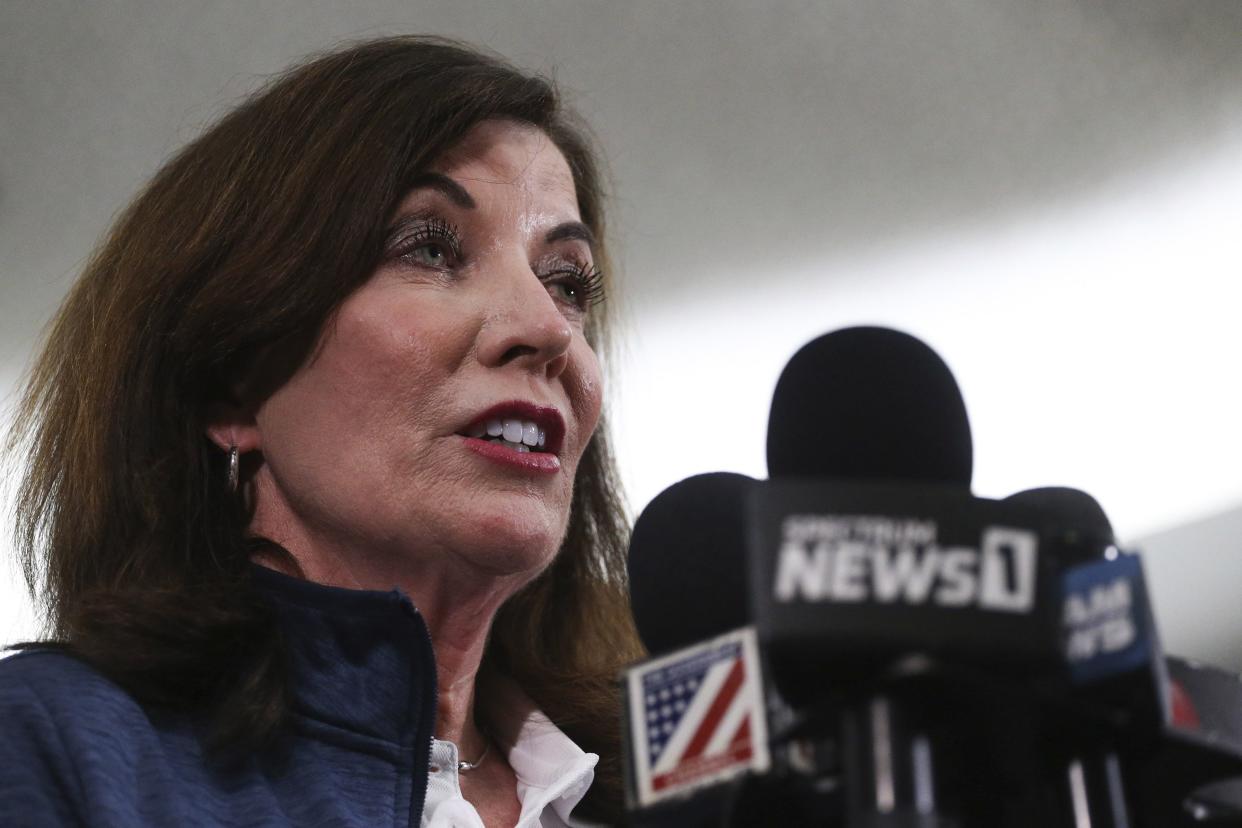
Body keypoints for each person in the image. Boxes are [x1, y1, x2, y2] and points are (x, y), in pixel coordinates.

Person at [0, 35, 643, 827]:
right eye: (431, 248)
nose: (547, 327)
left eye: (568, 283)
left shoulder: (686, 794)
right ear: (232, 387)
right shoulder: (54, 747)